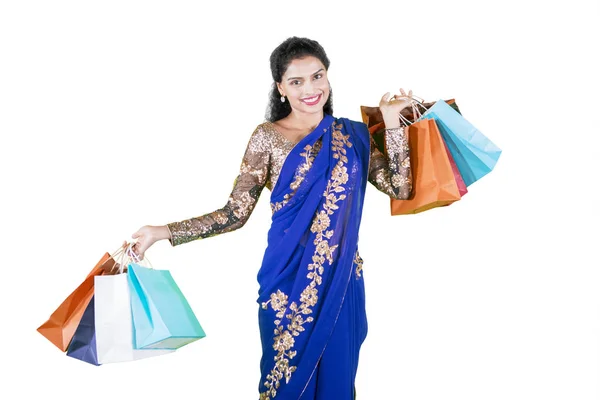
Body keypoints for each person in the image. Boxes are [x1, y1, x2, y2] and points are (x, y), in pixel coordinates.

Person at [130, 36, 414, 399]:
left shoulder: (353, 135)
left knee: (338, 383)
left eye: (317, 76)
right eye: (296, 81)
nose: (310, 89)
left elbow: (400, 189)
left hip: (341, 281)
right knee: (283, 385)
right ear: (280, 88)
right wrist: (163, 231)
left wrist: (392, 125)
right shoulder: (267, 138)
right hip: (286, 279)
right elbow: (234, 213)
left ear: (328, 78)